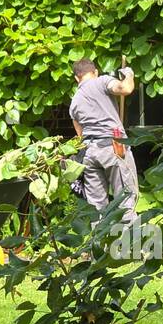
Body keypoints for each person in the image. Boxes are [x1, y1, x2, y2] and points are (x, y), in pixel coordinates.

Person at [68, 58, 137, 221]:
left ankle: (99, 245)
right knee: (125, 200)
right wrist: (129, 75)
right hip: (113, 148)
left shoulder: (74, 102)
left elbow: (80, 136)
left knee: (97, 208)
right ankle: (130, 244)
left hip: (89, 155)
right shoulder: (102, 81)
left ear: (76, 78)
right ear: (95, 72)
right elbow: (125, 89)